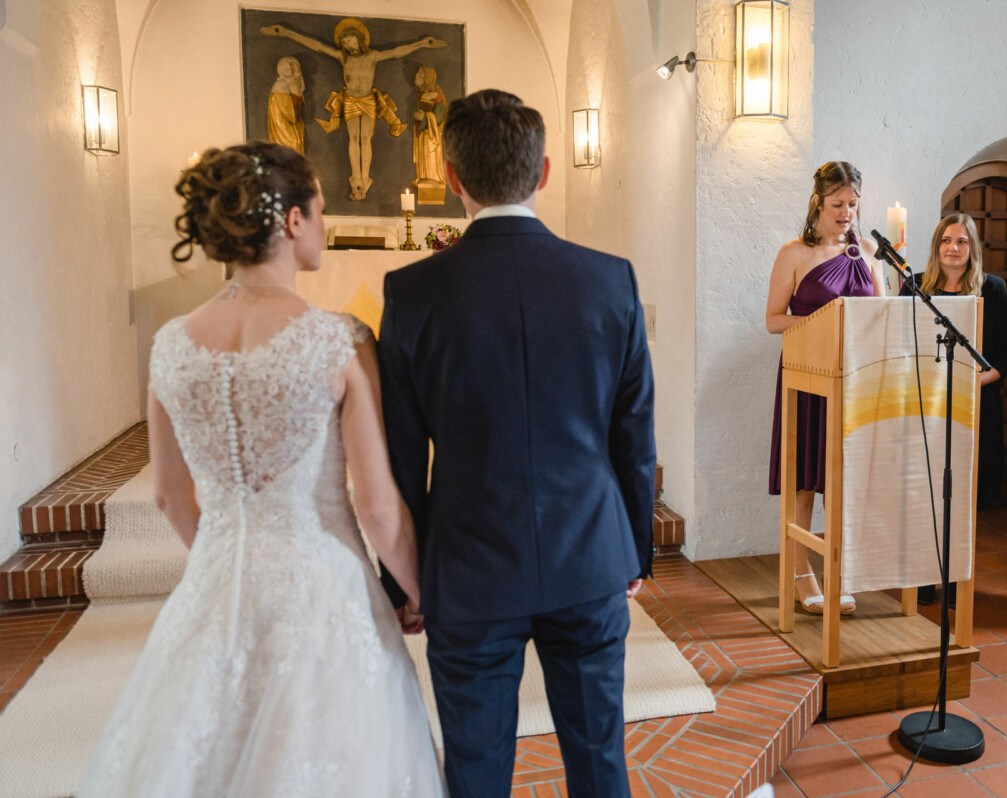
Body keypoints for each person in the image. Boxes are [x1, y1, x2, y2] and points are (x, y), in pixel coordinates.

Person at [76, 142, 445, 797]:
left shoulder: (169, 346)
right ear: (294, 222)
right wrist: (421, 592)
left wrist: (222, 557)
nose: (325, 226)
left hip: (217, 582)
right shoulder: (339, 340)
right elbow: (378, 506)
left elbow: (168, 496)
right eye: (322, 210)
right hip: (322, 583)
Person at [376, 89, 655, 798]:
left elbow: (401, 457)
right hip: (590, 554)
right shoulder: (609, 280)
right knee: (600, 763)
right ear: (546, 173)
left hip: (469, 567)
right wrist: (634, 550)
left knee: (475, 773)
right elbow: (634, 434)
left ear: (452, 178)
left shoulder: (412, 292)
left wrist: (405, 582)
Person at [767, 161, 886, 615]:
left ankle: (841, 570)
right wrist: (823, 324)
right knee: (804, 480)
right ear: (818, 202)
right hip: (805, 375)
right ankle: (800, 574)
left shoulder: (869, 252)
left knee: (844, 480)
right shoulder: (794, 253)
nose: (847, 214)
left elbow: (880, 314)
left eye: (853, 205)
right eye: (838, 205)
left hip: (854, 380)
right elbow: (773, 319)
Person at [901, 213, 1007, 607]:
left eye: (962, 242)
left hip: (972, 403)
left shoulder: (992, 289)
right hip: (925, 404)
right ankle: (921, 578)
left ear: (973, 249)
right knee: (924, 491)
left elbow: (1006, 353)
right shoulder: (914, 286)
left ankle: (953, 581)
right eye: (946, 241)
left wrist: (970, 383)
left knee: (959, 494)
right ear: (936, 246)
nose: (953, 248)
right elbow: (902, 343)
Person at [261, 18, 447, 199]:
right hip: (350, 100)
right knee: (354, 137)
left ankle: (365, 177)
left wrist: (421, 44)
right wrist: (288, 33)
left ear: (358, 39)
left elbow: (396, 52)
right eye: (344, 43)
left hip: (367, 100)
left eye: (349, 41)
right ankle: (356, 178)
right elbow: (318, 46)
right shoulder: (343, 57)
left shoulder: (372, 56)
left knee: (366, 139)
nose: (347, 46)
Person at [412, 65, 448, 202]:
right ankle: (423, 176)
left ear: (427, 78)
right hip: (422, 133)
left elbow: (439, 116)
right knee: (423, 156)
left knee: (430, 154)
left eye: (420, 75)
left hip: (431, 134)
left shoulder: (437, 95)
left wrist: (425, 117)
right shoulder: (421, 94)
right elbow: (413, 111)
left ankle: (432, 178)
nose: (416, 76)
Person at [266, 56, 305, 154]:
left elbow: (300, 115)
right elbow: (290, 114)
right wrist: (295, 95)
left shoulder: (293, 85)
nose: (295, 68)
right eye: (292, 65)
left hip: (293, 128)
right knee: (293, 144)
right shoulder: (280, 86)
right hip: (283, 128)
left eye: (296, 65)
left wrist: (297, 93)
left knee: (297, 143)